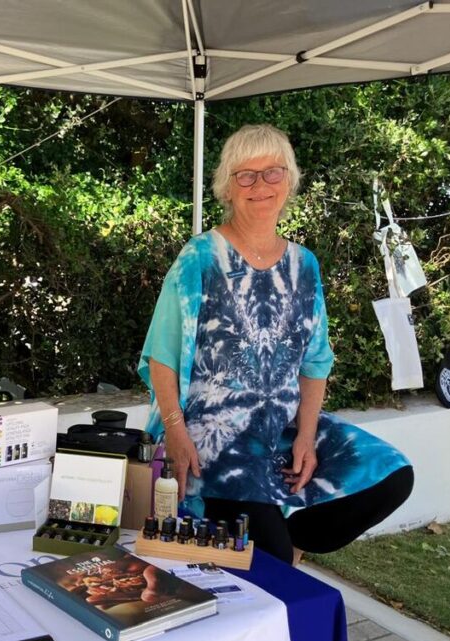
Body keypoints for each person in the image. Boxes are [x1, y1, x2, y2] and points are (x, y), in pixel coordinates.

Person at [138, 124, 414, 566]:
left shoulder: (304, 264)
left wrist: (306, 436)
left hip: (281, 429)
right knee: (273, 563)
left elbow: (315, 362)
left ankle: (290, 534)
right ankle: (278, 545)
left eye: (273, 173)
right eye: (245, 175)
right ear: (227, 188)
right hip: (215, 437)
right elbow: (162, 356)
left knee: (390, 476)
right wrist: (174, 430)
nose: (260, 185)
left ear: (290, 181)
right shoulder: (200, 258)